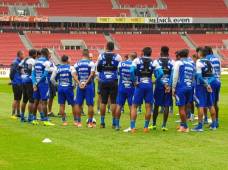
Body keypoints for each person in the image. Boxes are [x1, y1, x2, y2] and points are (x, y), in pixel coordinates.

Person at [130, 47, 163, 133]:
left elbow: (131, 71)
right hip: (149, 84)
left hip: (139, 84)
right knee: (148, 107)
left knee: (134, 106)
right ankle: (145, 127)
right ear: (150, 53)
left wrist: (134, 81)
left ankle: (133, 127)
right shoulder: (154, 61)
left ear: (143, 52)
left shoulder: (137, 60)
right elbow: (161, 73)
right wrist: (155, 80)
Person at [97, 42, 122, 128]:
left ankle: (102, 123)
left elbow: (98, 68)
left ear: (106, 47)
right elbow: (120, 68)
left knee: (103, 102)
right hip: (113, 80)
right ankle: (114, 123)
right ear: (113, 48)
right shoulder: (118, 57)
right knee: (113, 101)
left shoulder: (101, 56)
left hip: (103, 80)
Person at [191, 47, 217, 132]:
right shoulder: (210, 62)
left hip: (201, 86)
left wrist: (205, 84)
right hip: (209, 85)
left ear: (200, 54)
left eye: (198, 53)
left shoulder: (199, 62)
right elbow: (214, 76)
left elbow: (199, 76)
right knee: (210, 104)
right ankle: (213, 125)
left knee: (200, 105)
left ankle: (200, 126)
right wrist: (208, 83)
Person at [151, 46, 175, 131]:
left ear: (161, 52)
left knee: (156, 105)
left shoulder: (156, 61)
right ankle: (164, 125)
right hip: (168, 86)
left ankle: (154, 124)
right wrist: (168, 85)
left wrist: (162, 83)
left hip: (159, 86)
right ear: (168, 52)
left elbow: (156, 74)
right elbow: (172, 75)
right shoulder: (172, 62)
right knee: (167, 105)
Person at [172, 49, 195, 133]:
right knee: (186, 106)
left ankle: (185, 127)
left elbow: (175, 76)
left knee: (181, 108)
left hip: (181, 87)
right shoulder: (191, 63)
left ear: (180, 56)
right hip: (189, 87)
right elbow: (193, 77)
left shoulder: (178, 63)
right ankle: (182, 125)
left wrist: (173, 88)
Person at [51, 55, 77, 126]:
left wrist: (57, 85)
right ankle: (75, 121)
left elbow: (52, 79)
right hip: (68, 88)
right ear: (67, 60)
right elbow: (75, 77)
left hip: (61, 88)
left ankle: (64, 121)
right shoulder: (71, 67)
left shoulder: (57, 68)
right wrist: (74, 85)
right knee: (73, 104)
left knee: (62, 105)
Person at [32, 48, 55, 126]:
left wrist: (34, 83)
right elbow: (45, 74)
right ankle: (45, 120)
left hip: (36, 83)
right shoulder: (47, 62)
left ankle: (34, 119)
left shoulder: (36, 61)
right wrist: (38, 83)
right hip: (43, 84)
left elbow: (33, 74)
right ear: (47, 53)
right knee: (44, 102)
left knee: (36, 101)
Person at [74, 49, 96, 128]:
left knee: (78, 104)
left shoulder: (77, 64)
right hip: (89, 85)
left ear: (82, 54)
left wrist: (79, 83)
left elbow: (74, 75)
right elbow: (92, 74)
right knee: (90, 104)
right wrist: (86, 83)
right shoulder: (91, 63)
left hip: (80, 86)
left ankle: (79, 122)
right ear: (87, 55)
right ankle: (90, 123)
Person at [115, 53, 136, 131]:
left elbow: (118, 73)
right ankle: (132, 126)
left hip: (122, 87)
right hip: (131, 88)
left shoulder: (121, 63)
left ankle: (117, 125)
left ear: (129, 57)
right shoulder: (134, 64)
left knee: (119, 106)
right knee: (132, 107)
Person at [19, 49, 37, 124]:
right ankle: (30, 117)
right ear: (34, 54)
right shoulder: (32, 60)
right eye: (36, 54)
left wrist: (23, 74)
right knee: (31, 100)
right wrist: (29, 75)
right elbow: (31, 69)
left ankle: (22, 117)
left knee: (24, 100)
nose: (36, 55)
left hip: (23, 80)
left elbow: (19, 67)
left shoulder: (24, 59)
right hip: (29, 81)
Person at [205, 46, 221, 128]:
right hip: (218, 81)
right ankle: (216, 120)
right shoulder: (217, 58)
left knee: (210, 103)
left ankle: (214, 122)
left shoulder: (207, 59)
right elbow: (219, 70)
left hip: (211, 81)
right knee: (215, 102)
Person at [9, 50, 24, 119]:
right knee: (16, 98)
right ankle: (13, 114)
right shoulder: (15, 62)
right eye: (22, 54)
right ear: (20, 55)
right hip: (16, 83)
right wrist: (13, 81)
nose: (23, 56)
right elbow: (11, 73)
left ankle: (18, 113)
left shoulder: (19, 62)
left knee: (18, 99)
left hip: (19, 82)